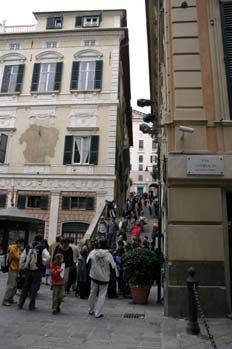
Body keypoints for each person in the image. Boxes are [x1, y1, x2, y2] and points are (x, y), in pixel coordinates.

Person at [18, 235, 50, 310]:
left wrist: (22, 266)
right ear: (41, 240)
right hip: (37, 270)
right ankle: (31, 305)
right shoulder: (42, 247)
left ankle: (20, 304)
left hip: (28, 269)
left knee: (25, 287)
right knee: (34, 288)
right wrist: (43, 263)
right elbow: (48, 257)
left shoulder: (28, 246)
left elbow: (23, 257)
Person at [87, 239, 116, 318]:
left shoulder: (93, 252)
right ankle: (98, 312)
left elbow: (88, 262)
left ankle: (90, 309)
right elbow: (113, 266)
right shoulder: (109, 255)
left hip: (94, 275)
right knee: (102, 295)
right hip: (104, 277)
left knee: (92, 293)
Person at [2, 238, 24, 306]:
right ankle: (5, 300)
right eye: (21, 243)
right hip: (12, 268)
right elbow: (18, 257)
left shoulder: (18, 249)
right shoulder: (13, 248)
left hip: (16, 268)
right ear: (18, 243)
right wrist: (22, 255)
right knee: (11, 285)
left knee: (15, 285)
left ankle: (10, 299)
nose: (22, 245)